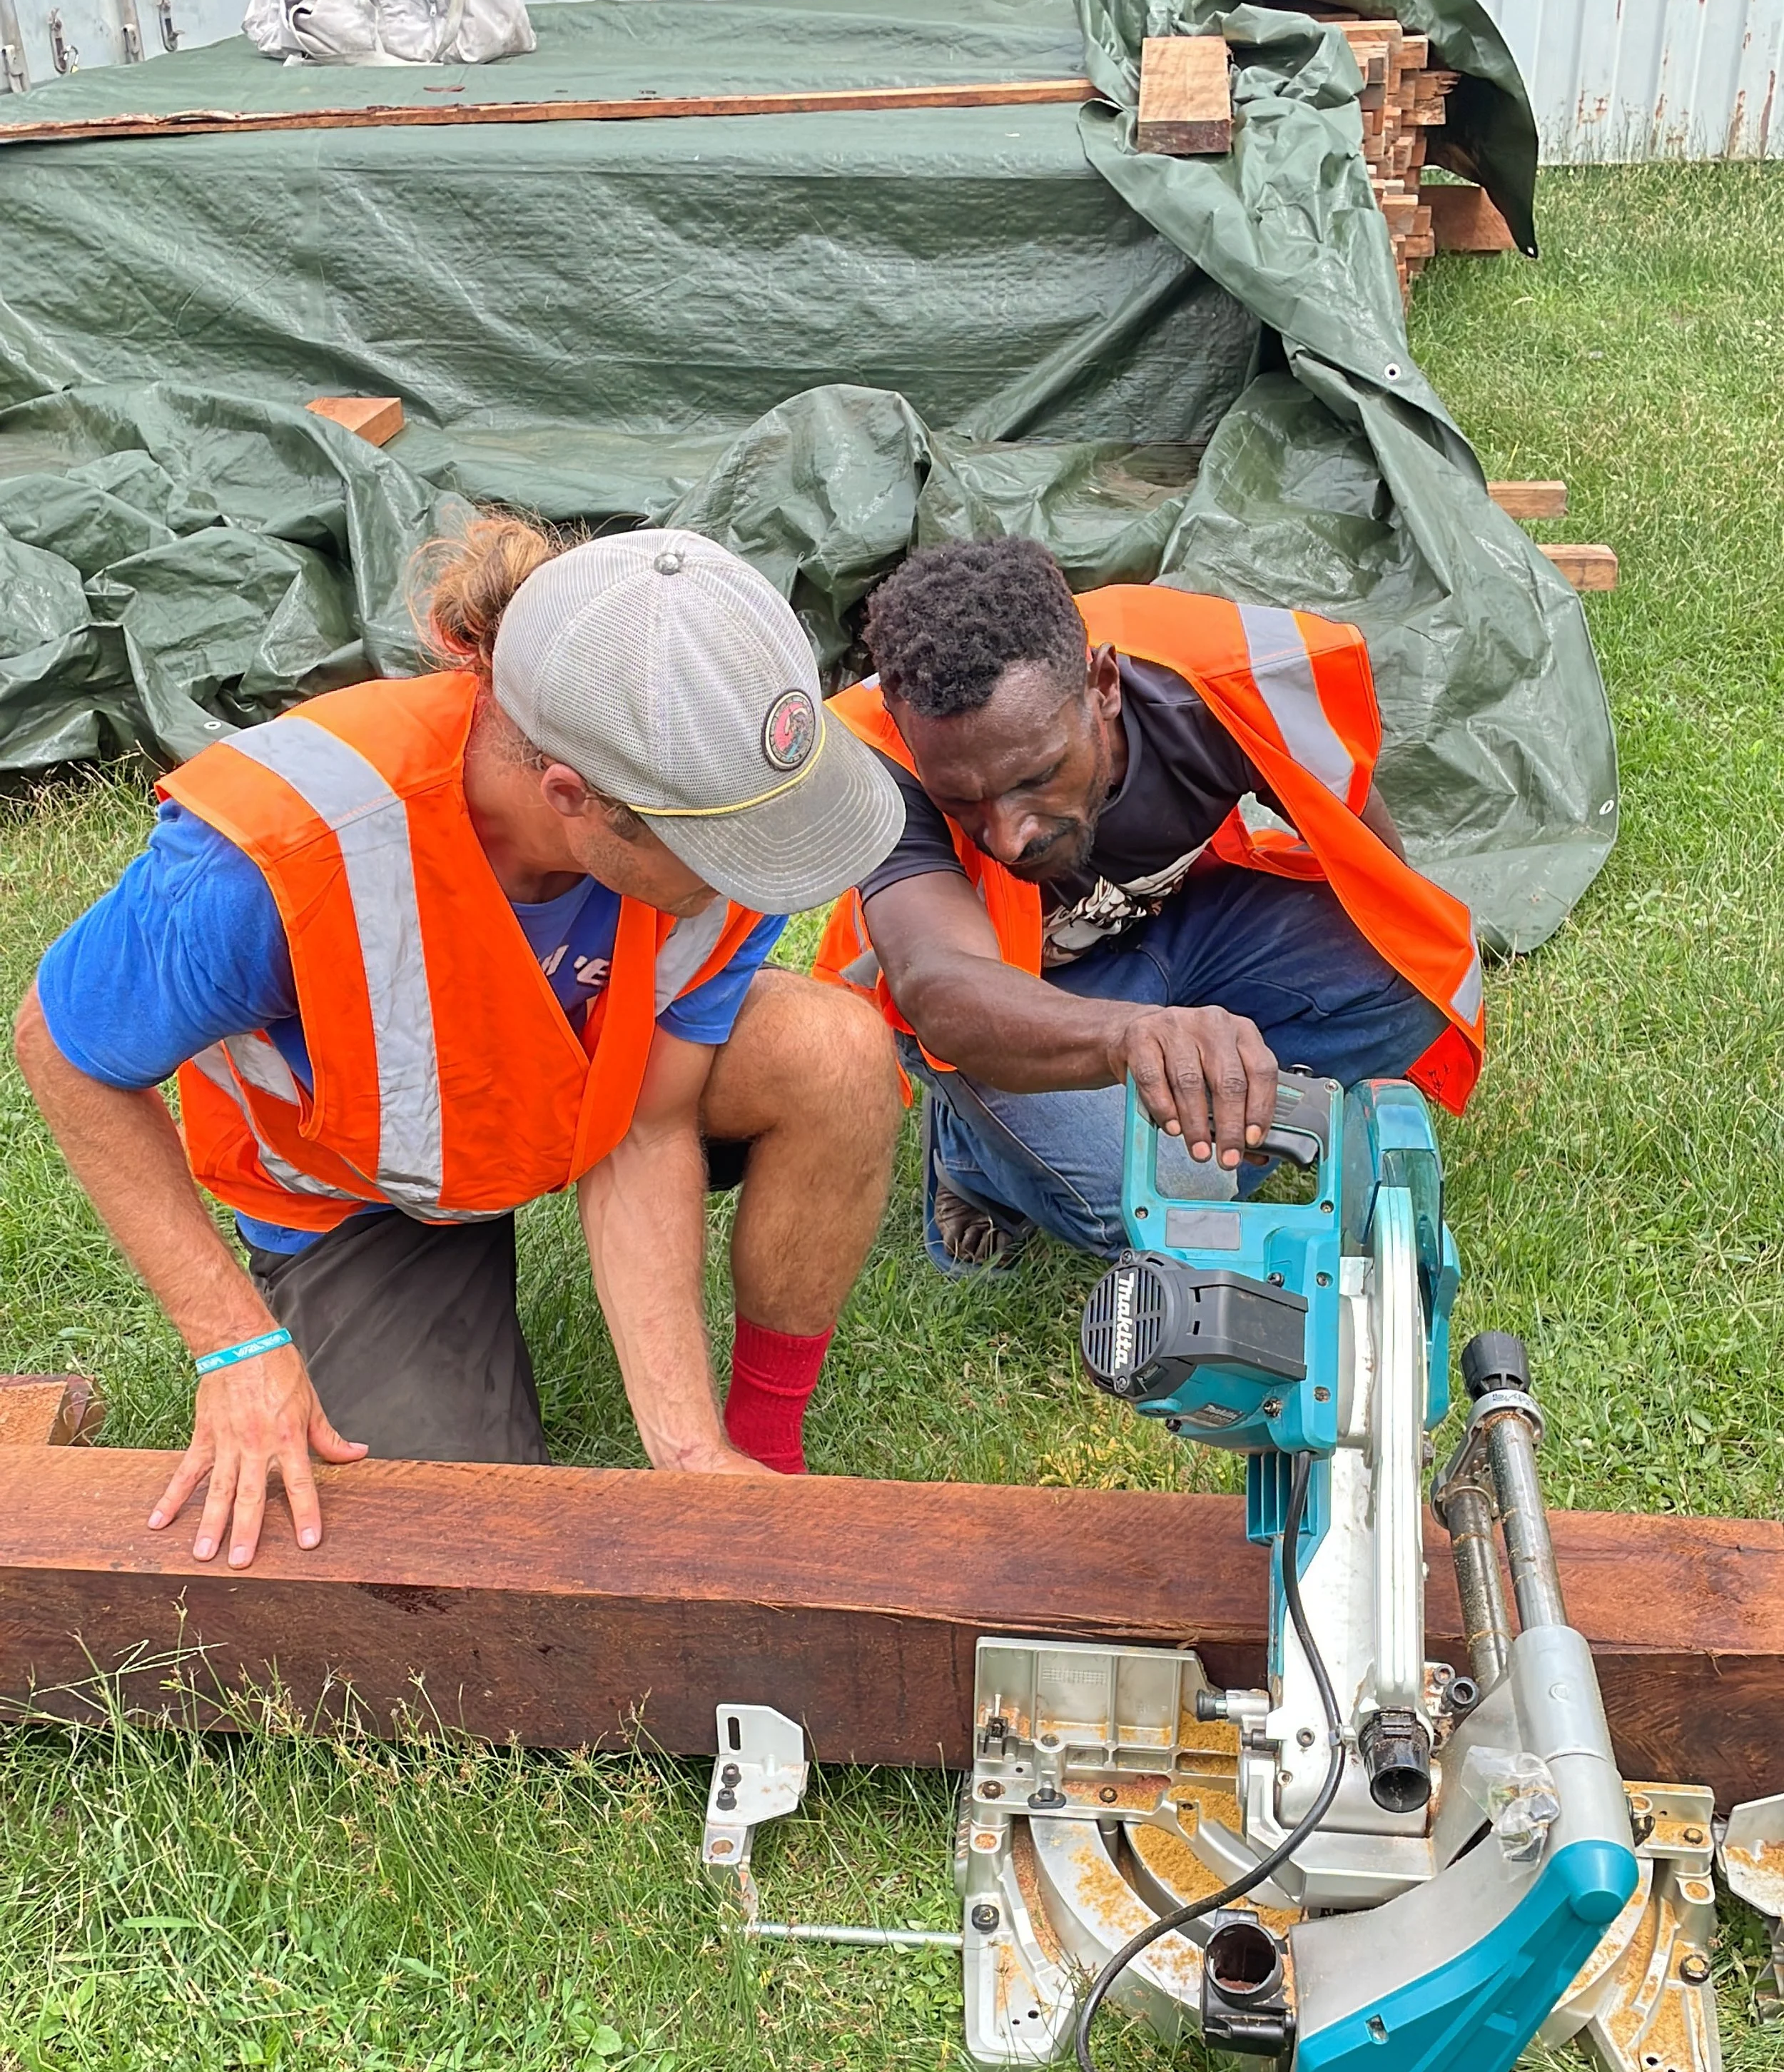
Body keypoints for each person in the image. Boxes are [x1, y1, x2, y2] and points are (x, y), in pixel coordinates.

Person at [15, 518, 906, 1563]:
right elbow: (60, 1046)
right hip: (367, 1190)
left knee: (838, 1052)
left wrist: (692, 1456)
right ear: (572, 798)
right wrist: (235, 1344)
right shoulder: (280, 855)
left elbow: (651, 1123)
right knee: (457, 1543)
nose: (760, 881)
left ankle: (768, 1451)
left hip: (573, 1097)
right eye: (722, 852)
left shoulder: (710, 820)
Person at [816, 537, 1484, 1270]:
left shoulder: (1220, 681)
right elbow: (939, 985)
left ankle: (1200, 1113)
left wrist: (1192, 1053)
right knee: (1140, 1199)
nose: (1008, 838)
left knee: (1409, 969)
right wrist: (1130, 1037)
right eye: (961, 799)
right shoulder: (882, 760)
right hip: (1005, 1008)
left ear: (1102, 686)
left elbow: (1378, 874)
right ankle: (973, 1155)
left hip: (1176, 930)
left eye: (1035, 776)